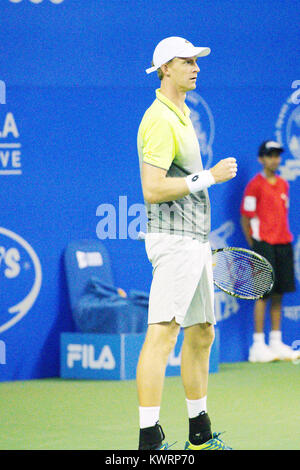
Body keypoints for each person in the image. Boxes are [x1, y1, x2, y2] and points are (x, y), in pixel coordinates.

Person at [136, 36, 237, 451]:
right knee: (163, 333)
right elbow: (152, 189)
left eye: (196, 60)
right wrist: (209, 177)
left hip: (193, 239)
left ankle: (199, 429)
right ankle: (149, 439)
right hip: (174, 241)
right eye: (186, 61)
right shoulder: (159, 119)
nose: (195, 67)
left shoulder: (182, 113)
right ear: (165, 69)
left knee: (203, 333)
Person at [240, 140, 298, 363]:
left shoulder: (284, 184)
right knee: (262, 294)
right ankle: (257, 345)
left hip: (283, 243)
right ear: (261, 159)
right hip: (263, 244)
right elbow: (245, 218)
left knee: (279, 293)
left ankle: (275, 341)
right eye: (270, 155)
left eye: (277, 155)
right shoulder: (255, 185)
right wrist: (256, 246)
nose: (275, 159)